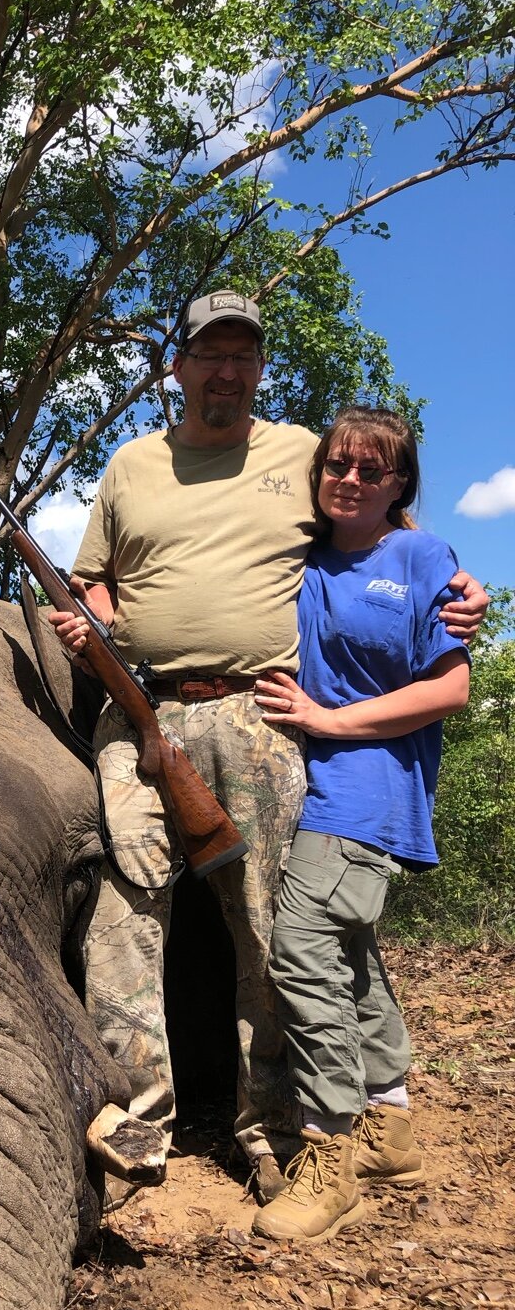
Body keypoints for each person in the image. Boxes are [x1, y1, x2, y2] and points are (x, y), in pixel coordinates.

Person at [49, 289, 486, 1201]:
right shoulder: (130, 465)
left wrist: (456, 584)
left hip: (260, 716)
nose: (227, 371)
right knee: (123, 916)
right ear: (178, 367)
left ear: (259, 369)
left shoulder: (300, 454)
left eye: (244, 356)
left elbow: (380, 521)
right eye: (211, 353)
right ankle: (136, 1127)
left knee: (268, 929)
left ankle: (276, 1128)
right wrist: (88, 622)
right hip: (141, 719)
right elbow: (97, 586)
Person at [250, 407, 469, 1241]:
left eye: (370, 470)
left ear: (399, 485)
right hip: (309, 785)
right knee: (347, 950)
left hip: (369, 787)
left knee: (302, 945)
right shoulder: (300, 557)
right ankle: (393, 1127)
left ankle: (330, 1149)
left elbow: (450, 689)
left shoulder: (418, 556)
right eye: (336, 464)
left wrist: (325, 721)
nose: (348, 478)